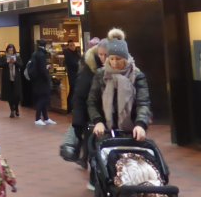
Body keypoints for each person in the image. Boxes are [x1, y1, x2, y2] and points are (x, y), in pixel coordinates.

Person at [88, 37, 151, 142]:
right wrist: (98, 121)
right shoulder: (100, 75)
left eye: (118, 59)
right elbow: (92, 102)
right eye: (112, 59)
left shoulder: (137, 76)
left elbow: (143, 103)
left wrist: (140, 124)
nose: (114, 63)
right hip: (105, 132)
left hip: (131, 132)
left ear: (125, 59)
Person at [71, 34, 114, 177]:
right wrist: (79, 120)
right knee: (96, 149)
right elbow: (83, 97)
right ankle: (96, 178)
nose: (103, 58)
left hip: (114, 120)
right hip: (94, 118)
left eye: (106, 55)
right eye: (101, 54)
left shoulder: (127, 71)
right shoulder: (91, 70)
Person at [28, 40, 54, 125]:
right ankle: (38, 118)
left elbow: (39, 67)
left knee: (41, 98)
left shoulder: (35, 53)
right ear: (45, 45)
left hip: (36, 80)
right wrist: (48, 79)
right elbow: (42, 69)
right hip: (42, 80)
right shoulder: (42, 55)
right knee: (44, 98)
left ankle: (46, 118)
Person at [0, 44, 22, 117]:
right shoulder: (4, 57)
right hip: (7, 79)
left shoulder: (17, 57)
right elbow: (0, 64)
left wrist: (15, 62)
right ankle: (12, 110)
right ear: (7, 50)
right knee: (9, 95)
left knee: (17, 94)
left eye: (12, 50)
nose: (10, 51)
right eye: (9, 50)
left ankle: (17, 108)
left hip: (16, 78)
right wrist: (7, 62)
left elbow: (21, 65)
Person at [63, 40, 81, 113]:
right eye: (71, 45)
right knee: (73, 91)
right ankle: (70, 107)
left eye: (73, 45)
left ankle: (72, 107)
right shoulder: (68, 54)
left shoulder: (76, 53)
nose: (73, 46)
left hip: (77, 75)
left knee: (74, 91)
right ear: (68, 46)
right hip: (72, 75)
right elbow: (73, 64)